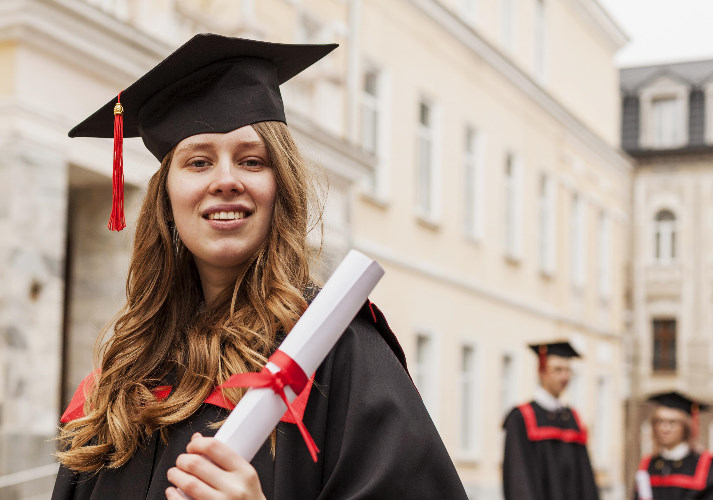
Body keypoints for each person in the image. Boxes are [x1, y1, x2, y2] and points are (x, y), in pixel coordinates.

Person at [51, 34, 468, 500]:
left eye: (252, 161)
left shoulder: (334, 352)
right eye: (198, 161)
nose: (226, 180)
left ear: (280, 189)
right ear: (166, 199)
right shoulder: (120, 374)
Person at [501, 341, 599, 500]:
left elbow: (585, 478)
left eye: (568, 370)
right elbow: (517, 477)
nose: (564, 376)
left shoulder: (573, 418)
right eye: (557, 370)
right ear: (541, 372)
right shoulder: (522, 418)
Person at [634, 391, 713, 500]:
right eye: (659, 422)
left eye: (672, 422)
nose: (665, 429)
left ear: (685, 427)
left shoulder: (705, 463)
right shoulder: (648, 464)